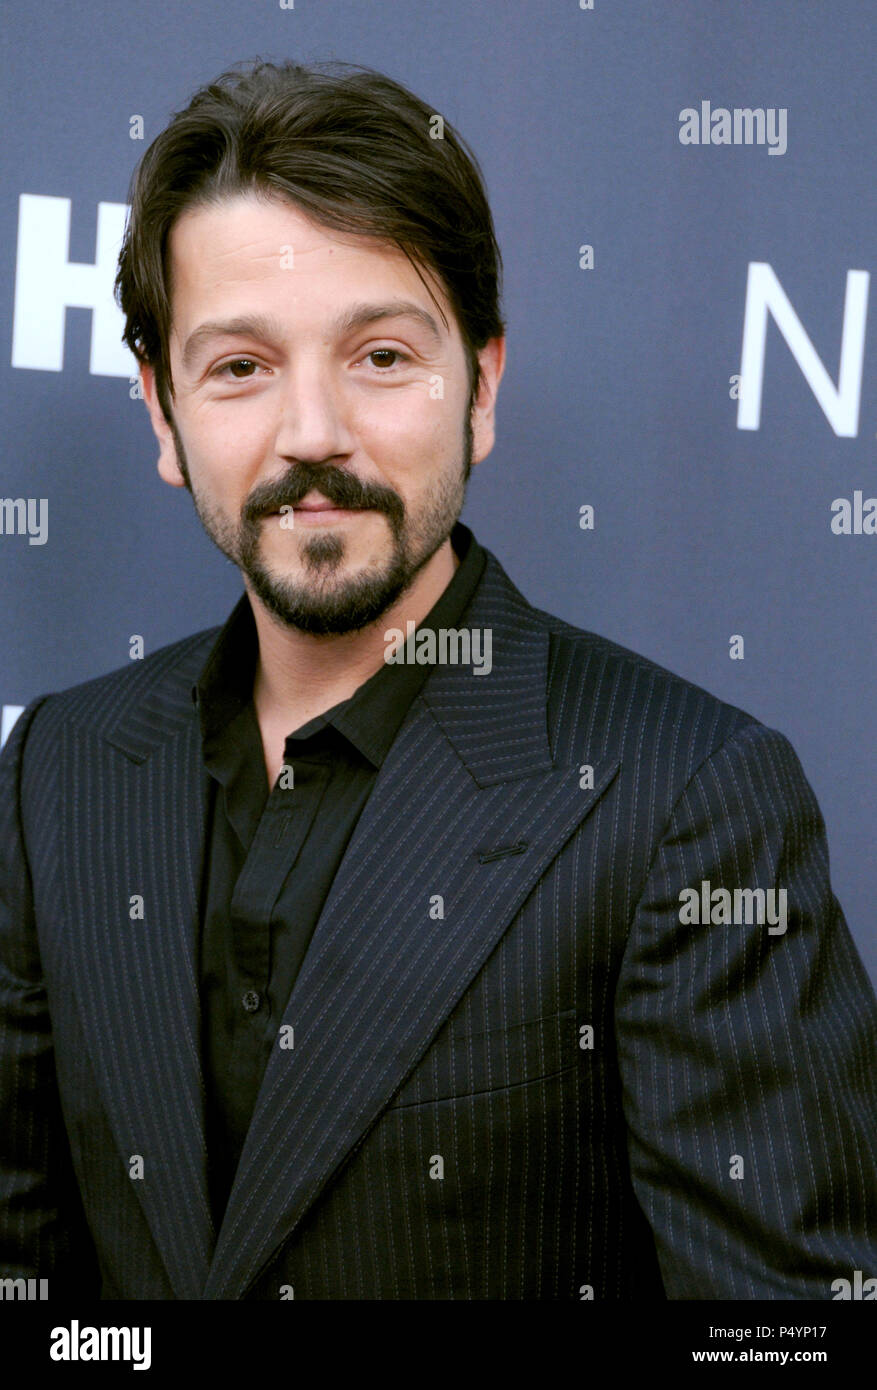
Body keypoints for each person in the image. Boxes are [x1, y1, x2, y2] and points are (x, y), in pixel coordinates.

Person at [1, 59, 874, 1302]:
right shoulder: (57, 773)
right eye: (240, 366)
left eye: (380, 355)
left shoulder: (689, 800)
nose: (313, 429)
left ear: (482, 388)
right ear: (161, 409)